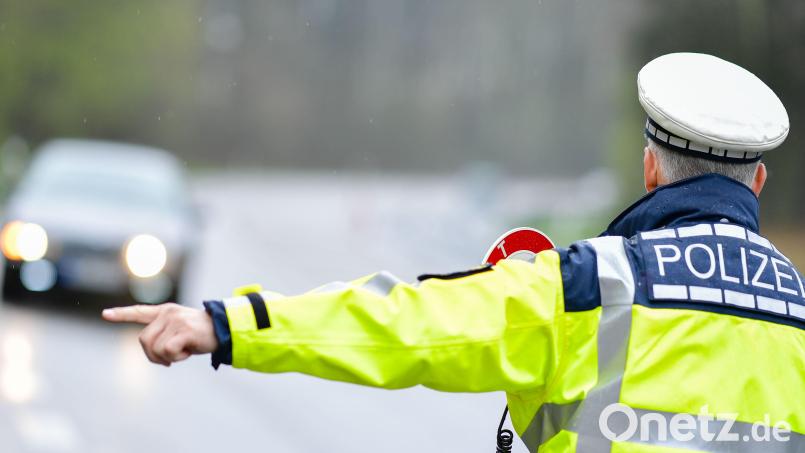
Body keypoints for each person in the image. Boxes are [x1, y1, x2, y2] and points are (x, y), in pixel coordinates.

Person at [103, 53, 804, 452]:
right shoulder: (797, 309)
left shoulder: (588, 286)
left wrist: (227, 324)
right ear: (758, 182)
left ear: (651, 169)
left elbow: (407, 324)